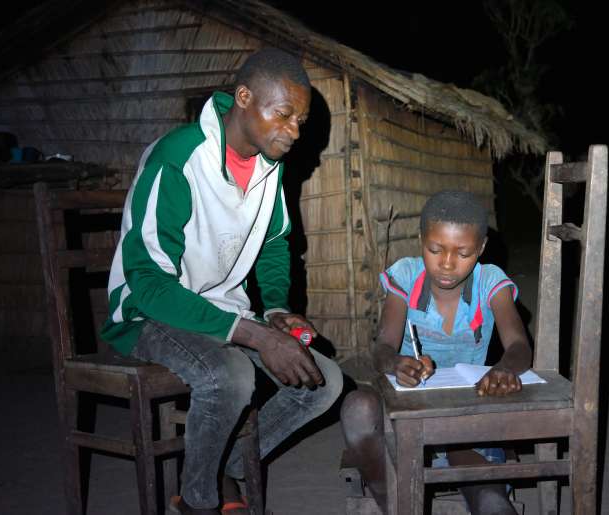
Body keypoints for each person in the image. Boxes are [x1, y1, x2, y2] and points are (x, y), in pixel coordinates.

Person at [101, 47, 343, 515]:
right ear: (245, 97)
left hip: (222, 313)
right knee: (230, 375)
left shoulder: (271, 169)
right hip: (149, 312)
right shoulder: (179, 158)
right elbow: (148, 282)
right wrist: (253, 334)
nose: (293, 132)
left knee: (324, 382)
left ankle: (225, 465)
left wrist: (274, 310)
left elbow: (274, 243)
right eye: (284, 115)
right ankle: (197, 500)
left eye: (301, 121)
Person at [341, 190, 532, 515]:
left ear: (481, 249)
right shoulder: (405, 276)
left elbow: (518, 346)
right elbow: (382, 348)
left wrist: (504, 370)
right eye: (435, 249)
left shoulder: (490, 282)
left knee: (490, 501)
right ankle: (395, 501)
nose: (446, 263)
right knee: (358, 407)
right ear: (421, 241)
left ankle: (487, 497)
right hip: (406, 413)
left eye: (463, 253)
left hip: (463, 414)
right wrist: (396, 363)